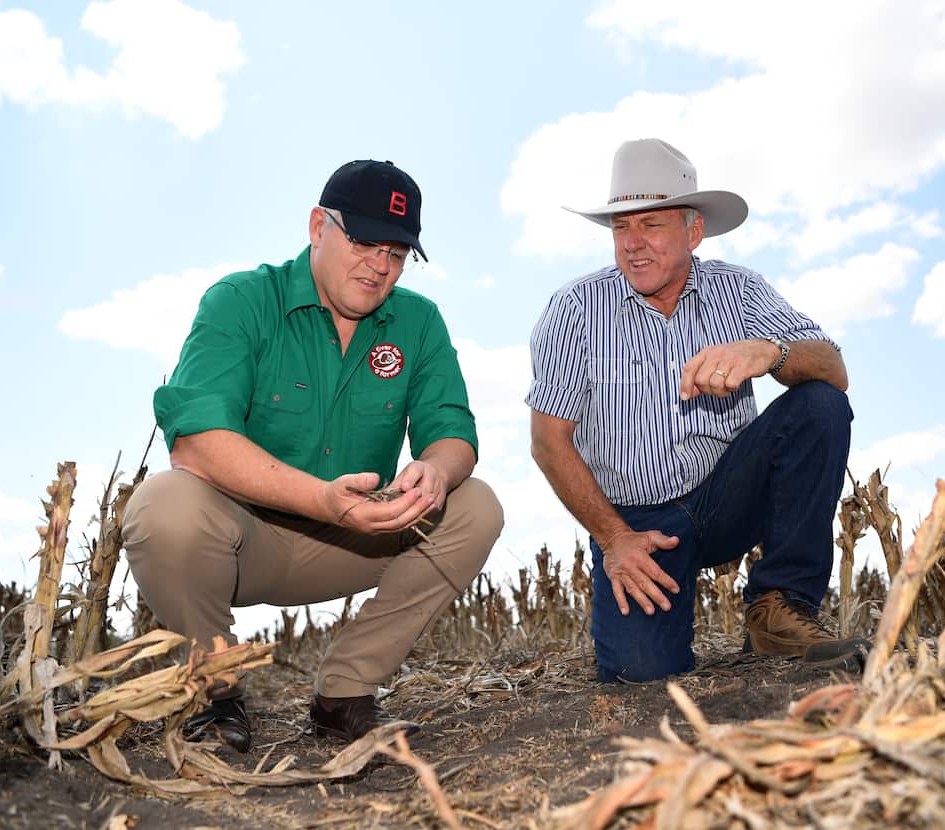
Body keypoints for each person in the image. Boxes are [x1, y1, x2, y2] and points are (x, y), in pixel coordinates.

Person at [123, 159, 503, 751]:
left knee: (474, 504)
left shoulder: (420, 322)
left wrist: (436, 468)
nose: (380, 266)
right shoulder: (241, 299)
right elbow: (196, 443)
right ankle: (213, 694)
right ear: (317, 226)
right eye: (364, 241)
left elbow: (452, 430)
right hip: (242, 539)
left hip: (354, 539)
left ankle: (345, 697)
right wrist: (323, 500)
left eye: (397, 253)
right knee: (163, 505)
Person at [526, 138, 870, 683]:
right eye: (621, 228)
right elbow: (549, 441)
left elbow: (834, 370)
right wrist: (615, 539)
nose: (633, 245)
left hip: (728, 495)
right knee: (642, 675)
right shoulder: (575, 309)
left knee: (820, 407)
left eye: (651, 226)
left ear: (693, 232)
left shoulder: (739, 289)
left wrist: (769, 353)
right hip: (638, 524)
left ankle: (778, 606)